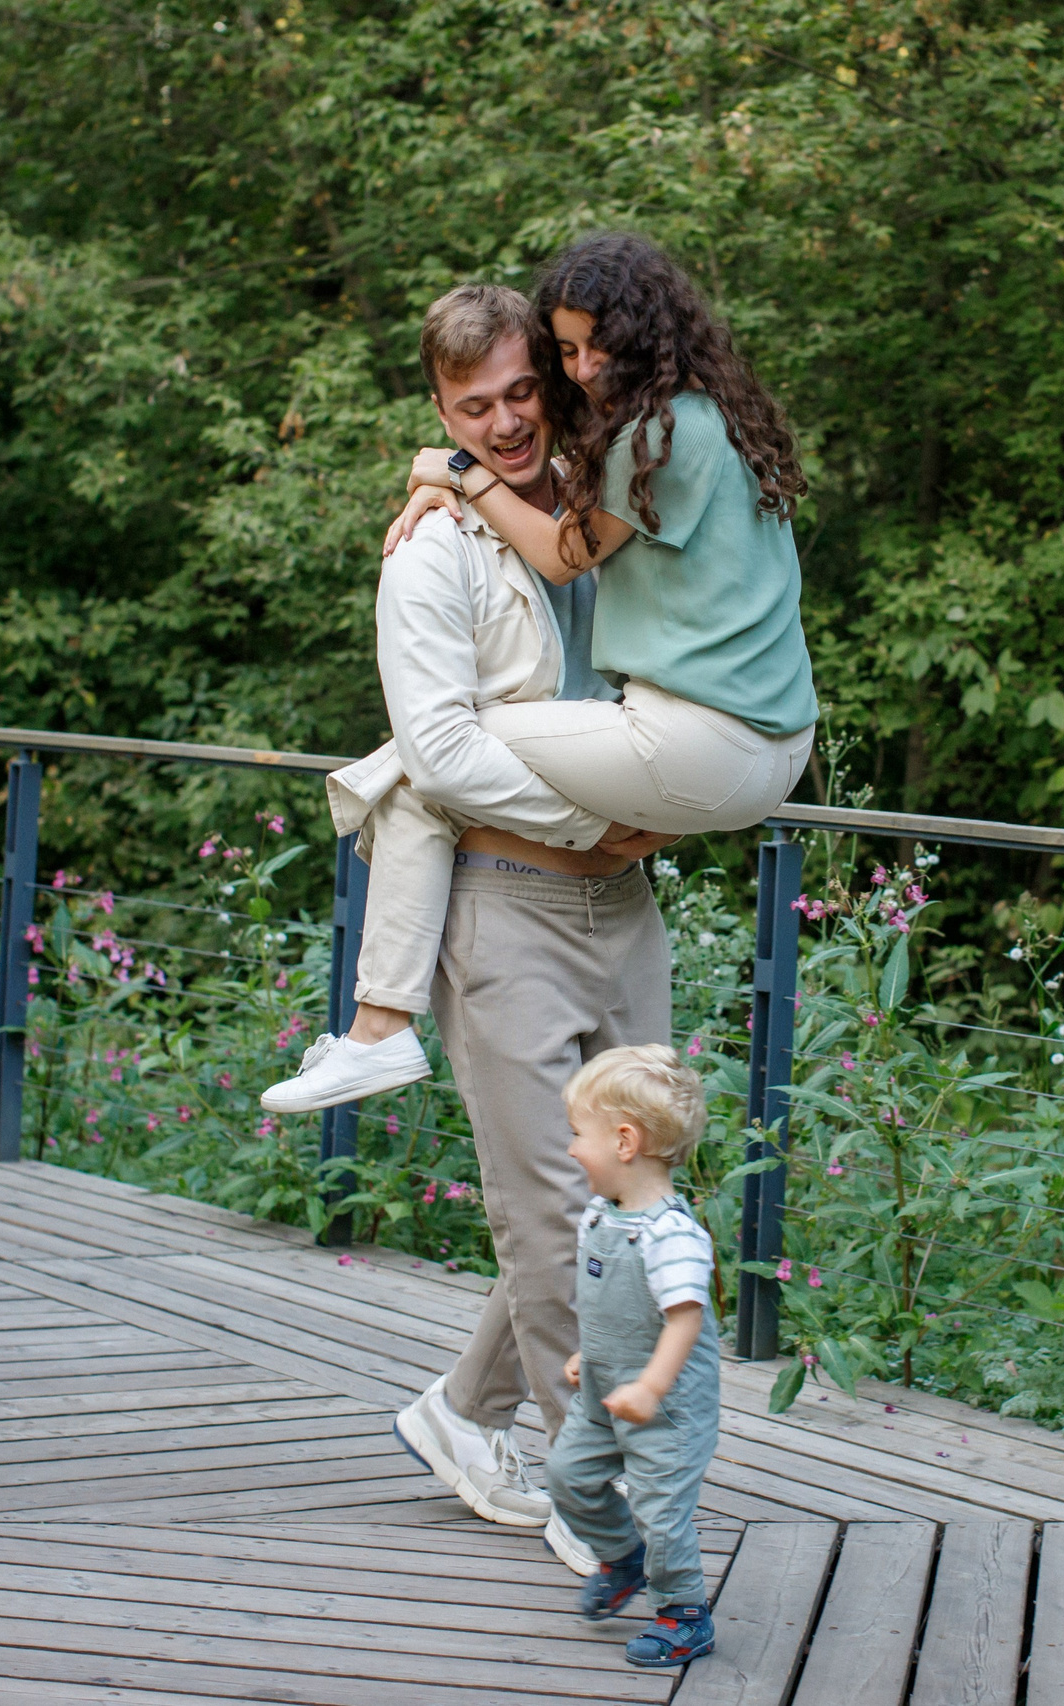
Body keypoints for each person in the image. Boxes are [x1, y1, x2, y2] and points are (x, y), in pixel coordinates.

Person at [262, 231, 818, 1115]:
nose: (585, 369)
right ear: (445, 412)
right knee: (428, 760)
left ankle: (378, 1028)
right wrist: (455, 481)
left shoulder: (649, 448)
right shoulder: (684, 428)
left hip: (700, 751)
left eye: (530, 387)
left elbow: (561, 556)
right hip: (738, 752)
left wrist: (457, 476)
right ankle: (378, 1030)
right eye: (567, 353)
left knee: (424, 760)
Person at [319, 283, 672, 1574]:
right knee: (545, 1214)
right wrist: (594, 825)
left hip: (625, 902)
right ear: (440, 409)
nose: (508, 421)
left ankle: (463, 1412)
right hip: (507, 900)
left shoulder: (600, 502)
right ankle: (594, 1496)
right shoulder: (430, 551)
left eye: (526, 391)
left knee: (628, 1195)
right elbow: (447, 756)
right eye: (475, 409)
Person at [547, 1044, 721, 1670]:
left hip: (664, 1406)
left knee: (662, 1512)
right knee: (568, 1476)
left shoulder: (671, 1235)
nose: (571, 1149)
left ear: (625, 1142)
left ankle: (685, 1613)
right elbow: (611, 1307)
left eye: (577, 1136)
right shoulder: (602, 1215)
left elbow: (683, 1318)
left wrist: (650, 1386)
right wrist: (584, 1352)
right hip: (602, 1387)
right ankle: (622, 1559)